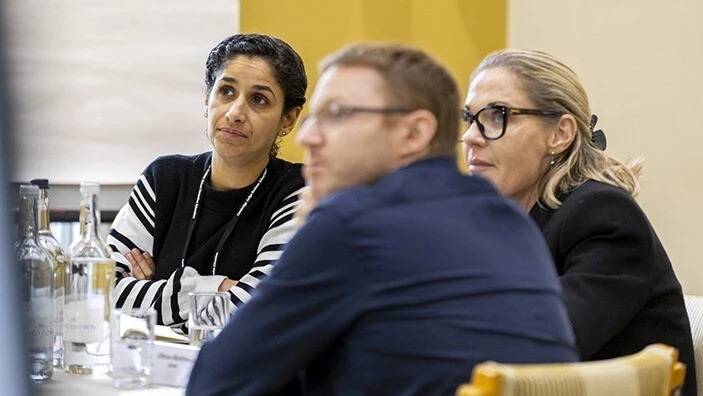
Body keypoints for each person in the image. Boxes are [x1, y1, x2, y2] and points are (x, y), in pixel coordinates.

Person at [186, 43, 578, 396]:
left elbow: (215, 383)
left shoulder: (352, 223)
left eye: (337, 115)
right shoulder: (508, 219)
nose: (308, 138)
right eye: (313, 118)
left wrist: (312, 232)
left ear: (413, 133)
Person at [460, 48, 696, 395]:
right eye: (469, 118)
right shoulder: (492, 224)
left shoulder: (602, 215)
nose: (471, 136)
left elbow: (546, 341)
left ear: (560, 133)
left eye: (498, 116)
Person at [107, 33, 307, 327]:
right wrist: (218, 288)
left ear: (287, 120)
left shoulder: (298, 191)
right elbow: (100, 293)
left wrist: (156, 292)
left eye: (259, 99)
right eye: (226, 91)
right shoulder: (163, 179)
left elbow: (261, 310)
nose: (236, 112)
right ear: (207, 99)